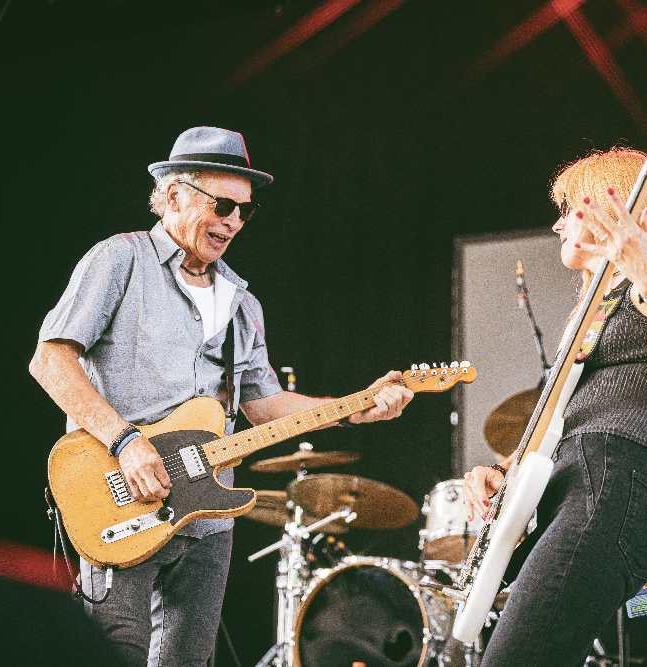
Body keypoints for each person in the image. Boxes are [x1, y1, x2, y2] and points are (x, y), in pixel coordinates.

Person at [29, 126, 415, 666]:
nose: (233, 221)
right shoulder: (121, 260)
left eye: (245, 211)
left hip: (209, 513)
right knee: (115, 652)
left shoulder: (242, 303)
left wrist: (355, 407)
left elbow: (264, 406)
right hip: (121, 490)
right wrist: (125, 442)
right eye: (222, 204)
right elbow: (50, 359)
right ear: (173, 195)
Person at [462, 148, 647, 667]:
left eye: (569, 209)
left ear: (612, 205)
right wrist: (504, 473)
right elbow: (565, 421)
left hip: (613, 484)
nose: (558, 225)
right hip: (573, 486)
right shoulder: (590, 311)